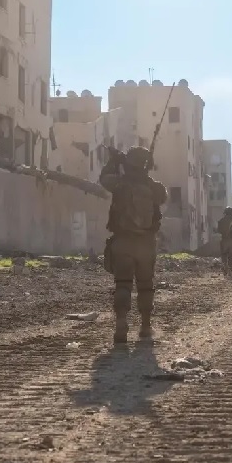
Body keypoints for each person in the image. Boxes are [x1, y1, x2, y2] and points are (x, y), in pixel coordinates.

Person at [99, 146, 168, 343]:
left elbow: (104, 178)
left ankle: (121, 323)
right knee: (145, 285)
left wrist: (115, 161)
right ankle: (145, 325)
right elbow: (163, 198)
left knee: (123, 283)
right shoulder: (155, 187)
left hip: (123, 241)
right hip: (146, 244)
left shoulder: (119, 183)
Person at [216, 207, 232, 277]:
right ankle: (230, 269)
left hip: (224, 240)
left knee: (224, 254)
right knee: (231, 255)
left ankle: (225, 266)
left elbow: (219, 230)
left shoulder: (221, 220)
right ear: (231, 212)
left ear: (225, 212)